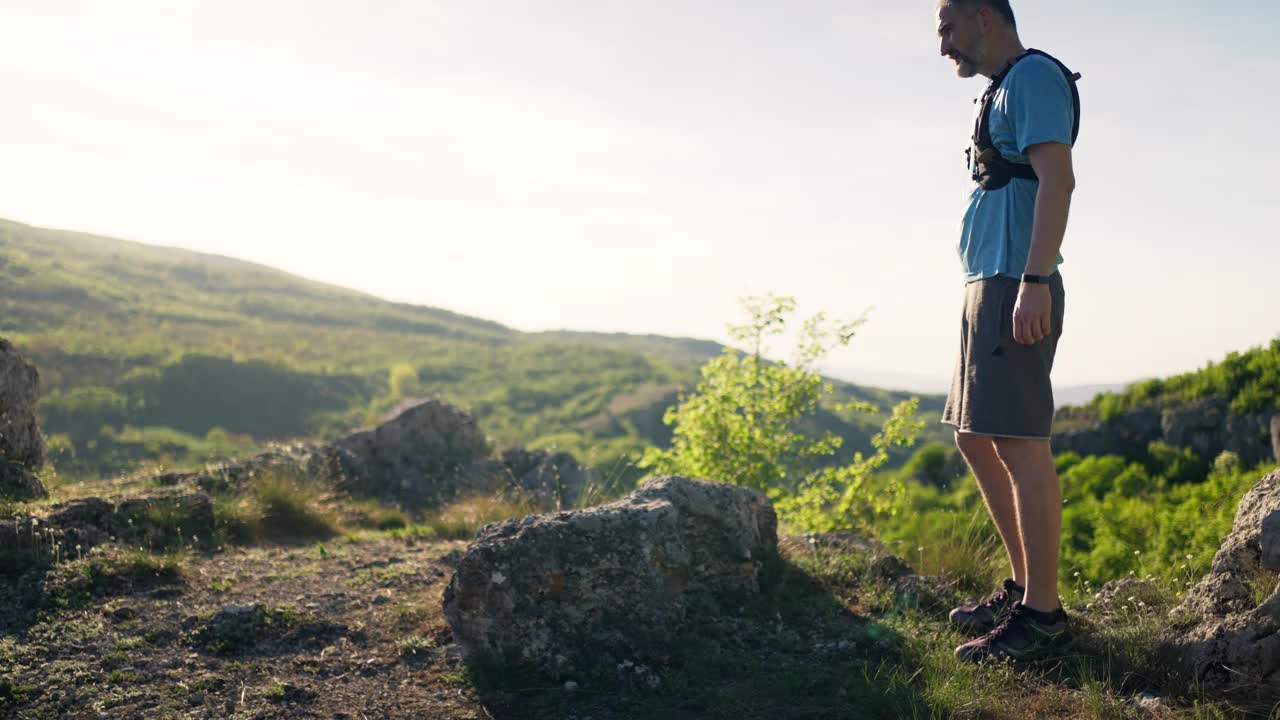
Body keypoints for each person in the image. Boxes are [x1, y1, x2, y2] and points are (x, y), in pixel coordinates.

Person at [934, 0, 1078, 663]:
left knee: (1020, 444)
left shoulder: (1034, 78)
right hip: (985, 283)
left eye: (947, 26)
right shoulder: (998, 91)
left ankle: (1043, 617)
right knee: (973, 436)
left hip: (1015, 283)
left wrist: (1035, 280)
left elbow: (1058, 179)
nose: (943, 45)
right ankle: (1025, 588)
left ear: (984, 17)